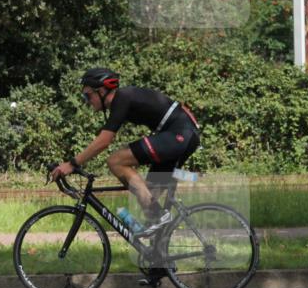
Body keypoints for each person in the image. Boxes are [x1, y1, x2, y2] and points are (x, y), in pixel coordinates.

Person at [49, 67, 200, 235]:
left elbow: (104, 141)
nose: (86, 101)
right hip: (182, 134)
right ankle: (157, 247)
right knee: (147, 194)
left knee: (116, 161)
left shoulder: (122, 98)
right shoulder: (122, 101)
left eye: (87, 95)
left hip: (179, 133)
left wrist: (72, 164)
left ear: (101, 91)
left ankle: (159, 216)